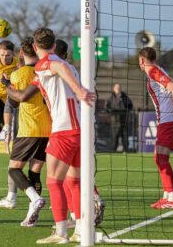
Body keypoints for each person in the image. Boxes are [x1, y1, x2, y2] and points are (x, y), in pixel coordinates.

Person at [2, 28, 96, 244]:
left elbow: (57, 66)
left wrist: (78, 89)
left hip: (64, 130)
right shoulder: (57, 69)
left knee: (54, 181)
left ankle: (61, 232)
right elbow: (25, 94)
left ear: (36, 47)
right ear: (54, 44)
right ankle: (80, 229)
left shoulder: (46, 64)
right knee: (73, 181)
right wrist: (9, 87)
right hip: (80, 130)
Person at [0, 37, 51, 228]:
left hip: (29, 129)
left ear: (20, 53)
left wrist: (6, 85)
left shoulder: (19, 74)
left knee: (14, 169)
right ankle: (31, 215)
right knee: (34, 173)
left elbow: (16, 102)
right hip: (48, 129)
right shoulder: (45, 70)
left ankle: (35, 200)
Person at [54, 38, 106, 229]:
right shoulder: (73, 69)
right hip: (84, 124)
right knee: (72, 177)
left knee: (63, 179)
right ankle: (78, 215)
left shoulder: (57, 70)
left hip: (70, 127)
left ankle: (80, 215)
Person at [138, 47, 173, 209]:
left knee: (161, 158)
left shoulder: (153, 71)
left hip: (169, 121)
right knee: (158, 158)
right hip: (165, 121)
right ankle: (167, 195)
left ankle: (172, 198)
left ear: (141, 60)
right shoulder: (156, 70)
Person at [106, 83, 133, 152]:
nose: (118, 89)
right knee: (115, 135)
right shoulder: (111, 97)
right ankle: (113, 150)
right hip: (115, 120)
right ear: (114, 89)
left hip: (123, 119)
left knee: (124, 135)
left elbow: (130, 105)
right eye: (116, 88)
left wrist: (126, 110)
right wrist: (111, 111)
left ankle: (126, 150)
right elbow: (107, 107)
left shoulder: (124, 96)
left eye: (119, 88)